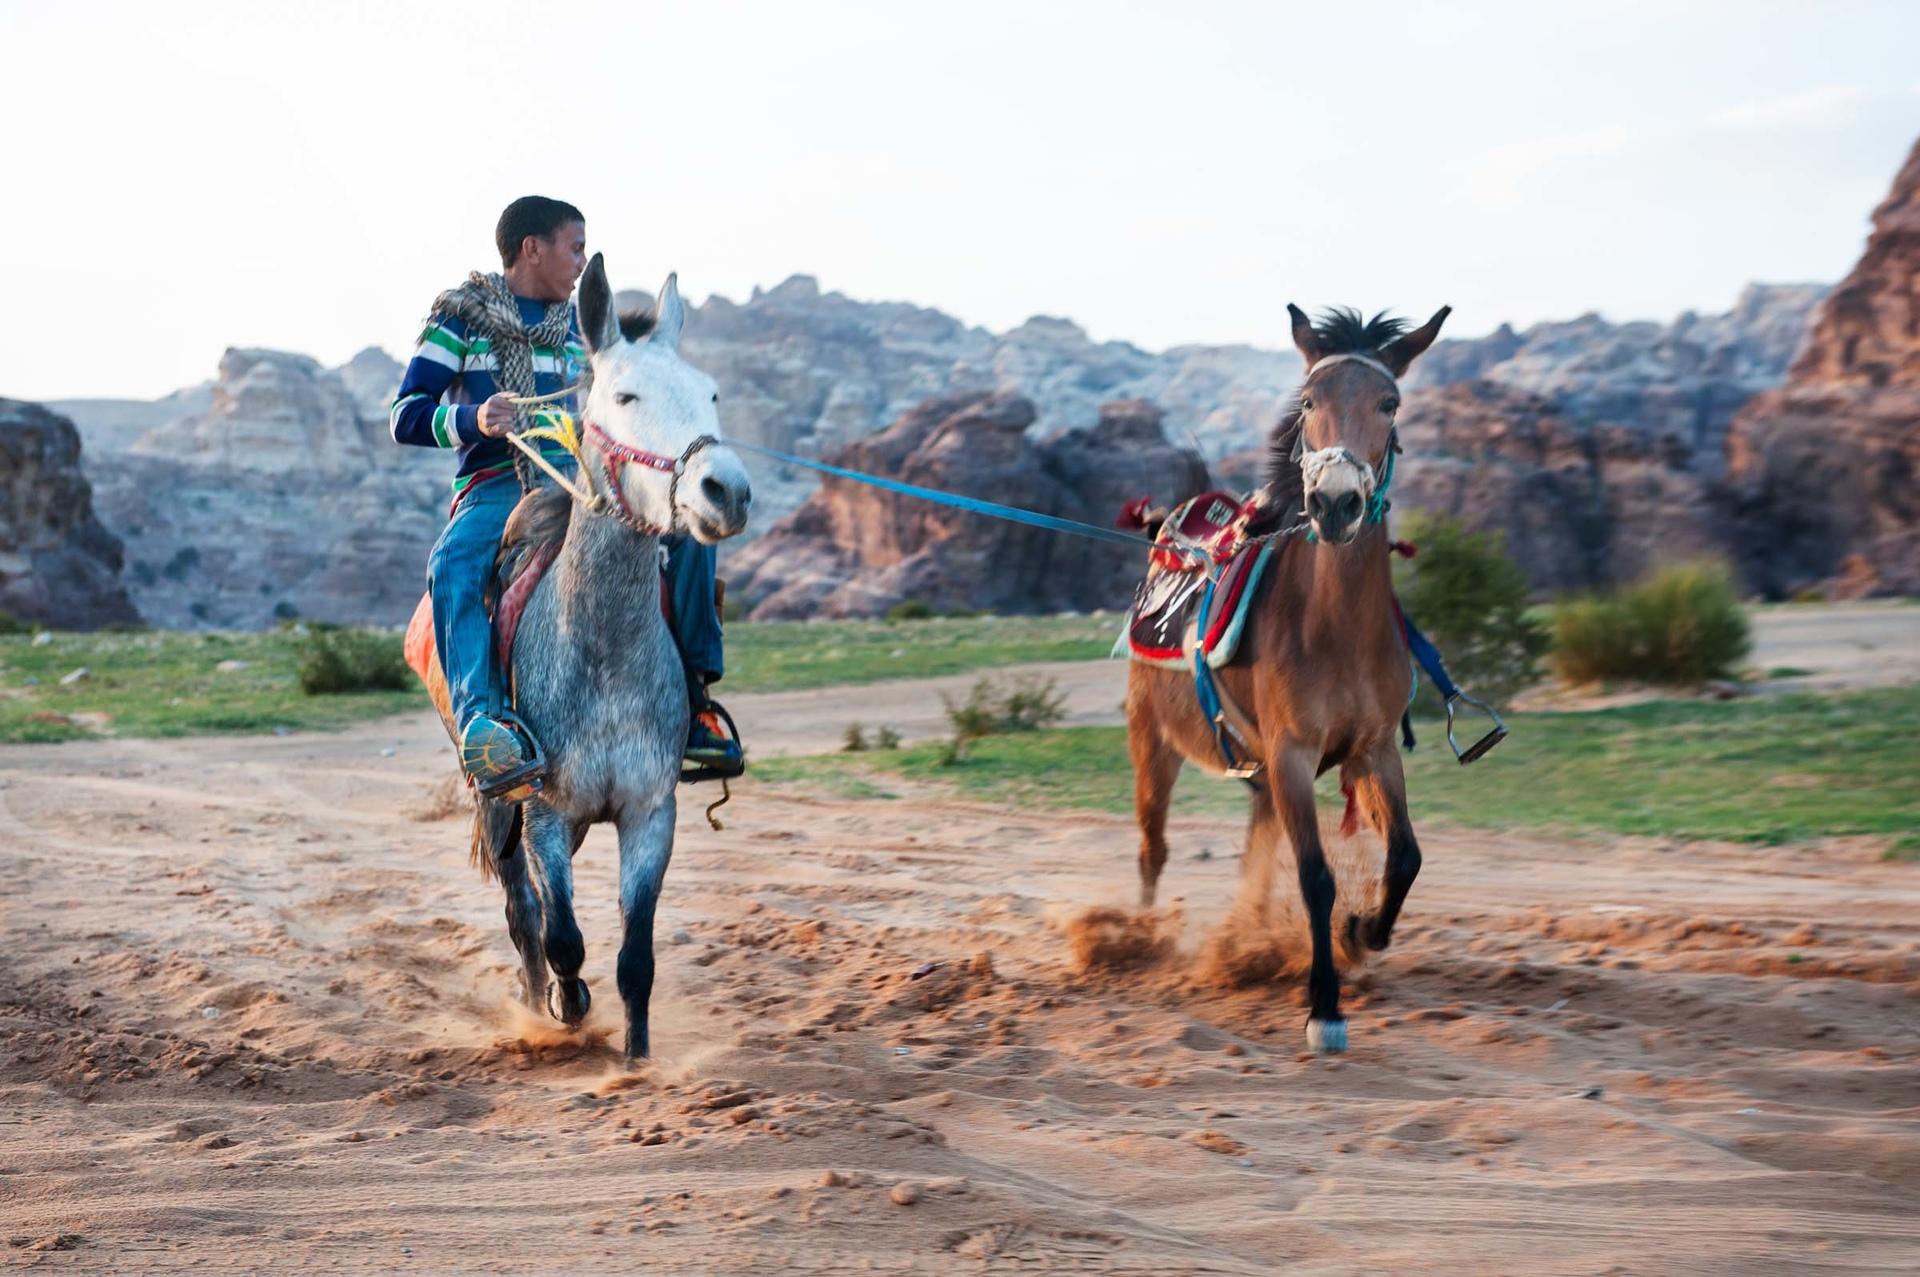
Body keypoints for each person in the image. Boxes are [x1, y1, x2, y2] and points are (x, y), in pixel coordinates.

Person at [390, 195, 743, 792]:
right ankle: (483, 724)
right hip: (498, 482)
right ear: (533, 248)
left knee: (687, 528)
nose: (581, 262)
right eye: (574, 248)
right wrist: (474, 420)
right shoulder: (456, 321)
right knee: (453, 562)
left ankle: (696, 702)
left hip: (582, 477)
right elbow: (405, 415)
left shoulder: (585, 338)